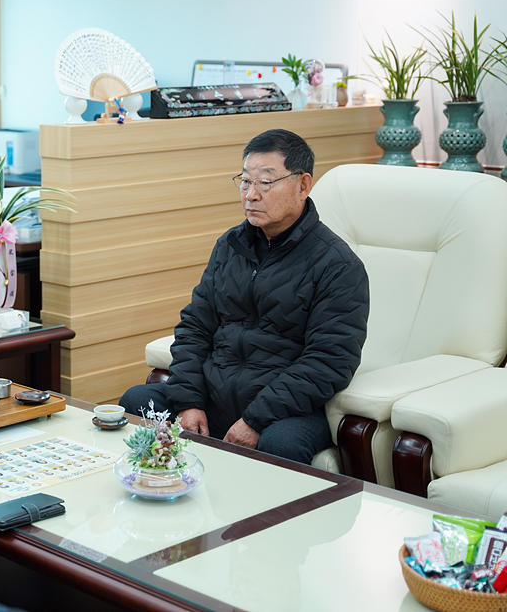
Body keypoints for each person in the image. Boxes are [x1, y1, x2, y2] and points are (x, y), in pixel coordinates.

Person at [119, 129, 369, 464]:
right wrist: (190, 402)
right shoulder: (230, 245)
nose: (251, 195)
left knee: (281, 443)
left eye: (265, 183)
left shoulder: (337, 264)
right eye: (245, 181)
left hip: (285, 411)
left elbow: (328, 362)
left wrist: (254, 420)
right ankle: (159, 501)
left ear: (303, 185)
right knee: (137, 400)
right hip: (213, 395)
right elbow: (195, 327)